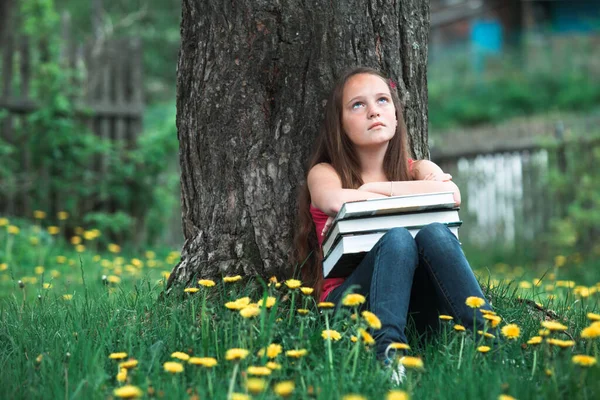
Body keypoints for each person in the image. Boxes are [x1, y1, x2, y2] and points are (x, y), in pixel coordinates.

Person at [292, 67, 496, 383]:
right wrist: (409, 191)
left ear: (397, 116)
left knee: (434, 234)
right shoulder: (325, 172)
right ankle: (388, 356)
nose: (374, 110)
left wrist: (373, 190)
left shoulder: (417, 167)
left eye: (383, 100)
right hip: (349, 307)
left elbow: (451, 194)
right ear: (340, 125)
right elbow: (334, 200)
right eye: (357, 105)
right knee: (398, 238)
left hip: (417, 304)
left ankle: (488, 340)